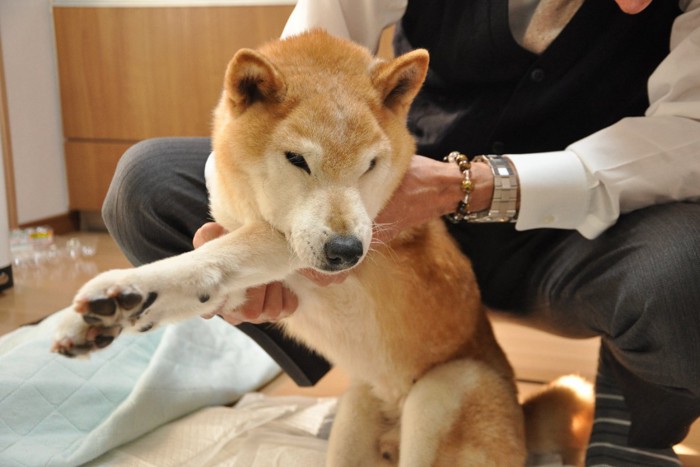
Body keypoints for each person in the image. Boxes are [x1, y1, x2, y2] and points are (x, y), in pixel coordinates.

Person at [103, 0, 700, 464]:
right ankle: (359, 356)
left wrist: (477, 185)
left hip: (567, 232)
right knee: (149, 184)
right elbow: (296, 66)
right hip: (384, 201)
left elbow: (689, 134)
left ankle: (636, 426)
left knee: (685, 268)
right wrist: (239, 213)